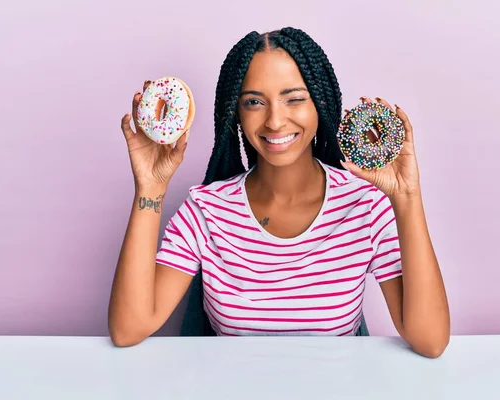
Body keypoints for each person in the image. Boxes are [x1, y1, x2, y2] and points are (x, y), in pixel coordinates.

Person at [108, 27, 450, 358]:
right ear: (236, 114)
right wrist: (149, 188)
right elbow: (128, 329)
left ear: (321, 104)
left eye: (295, 99)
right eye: (254, 102)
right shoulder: (205, 211)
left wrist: (406, 197)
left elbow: (430, 340)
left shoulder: (364, 207)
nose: (274, 121)